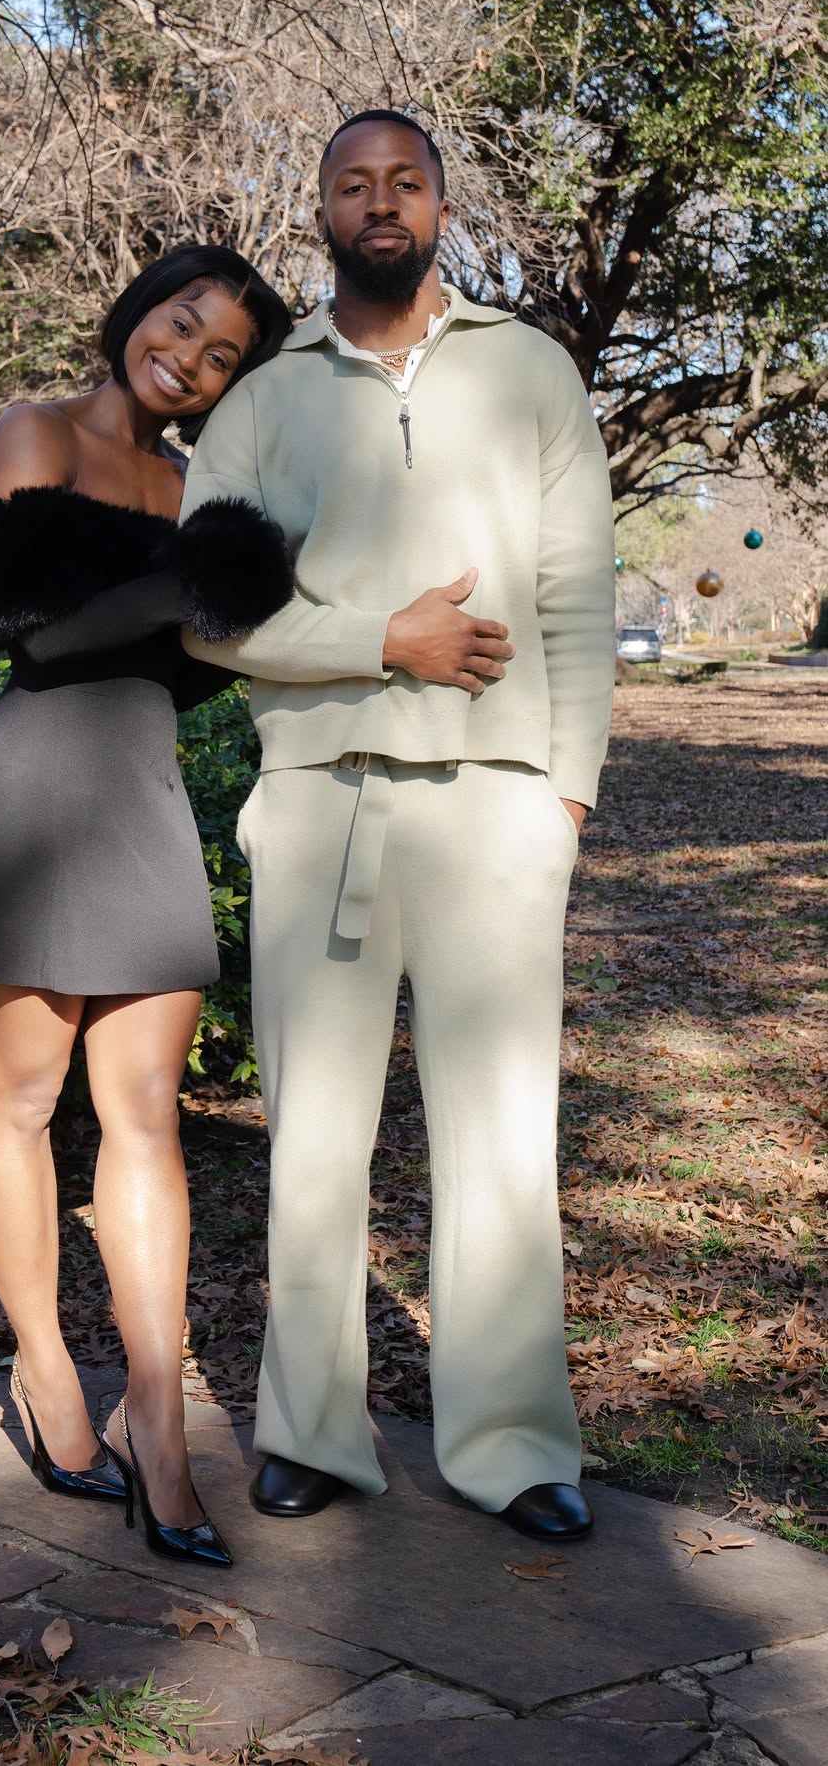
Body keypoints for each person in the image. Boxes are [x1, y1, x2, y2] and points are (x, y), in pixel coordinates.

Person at [178, 112, 616, 1540]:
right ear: (320, 211)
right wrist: (384, 641)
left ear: (439, 204)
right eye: (353, 184)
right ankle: (313, 1432)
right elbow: (212, 616)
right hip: (324, 805)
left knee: (503, 1138)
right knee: (313, 1136)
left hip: (499, 805)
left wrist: (564, 794)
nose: (381, 203)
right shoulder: (262, 404)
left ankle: (510, 1443)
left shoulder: (531, 370)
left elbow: (577, 590)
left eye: (405, 183)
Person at [0, 244, 292, 1568]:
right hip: (31, 790)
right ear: (136, 311)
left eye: (222, 354)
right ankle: (47, 1369)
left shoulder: (193, 489)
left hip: (141, 794)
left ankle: (159, 1422)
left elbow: (184, 672)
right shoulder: (43, 431)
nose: (188, 357)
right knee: (20, 1098)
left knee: (146, 1118)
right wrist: (194, 577)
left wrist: (232, 582)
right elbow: (28, 628)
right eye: (180, 322)